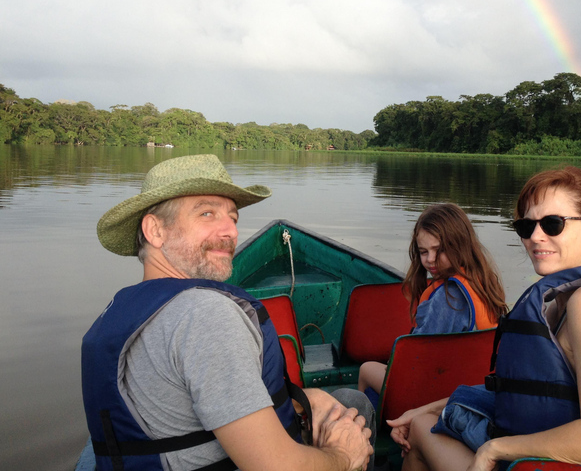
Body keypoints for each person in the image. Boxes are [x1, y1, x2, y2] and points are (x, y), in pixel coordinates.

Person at [82, 154, 374, 471]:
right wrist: (344, 456)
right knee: (354, 406)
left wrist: (302, 397)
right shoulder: (205, 314)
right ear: (155, 230)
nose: (230, 232)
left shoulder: (124, 313)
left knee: (339, 400)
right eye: (207, 213)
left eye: (232, 218)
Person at [387, 166, 581, 471]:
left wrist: (494, 449)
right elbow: (525, 391)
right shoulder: (580, 296)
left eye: (552, 224)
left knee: (420, 434)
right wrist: (422, 409)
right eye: (526, 227)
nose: (536, 237)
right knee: (423, 422)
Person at [357, 203, 507, 395]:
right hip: (471, 384)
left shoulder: (448, 297)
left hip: (433, 390)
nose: (430, 259)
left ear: (459, 245)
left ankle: (373, 424)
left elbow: (420, 359)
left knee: (366, 369)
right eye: (424, 252)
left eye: (439, 250)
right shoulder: (482, 282)